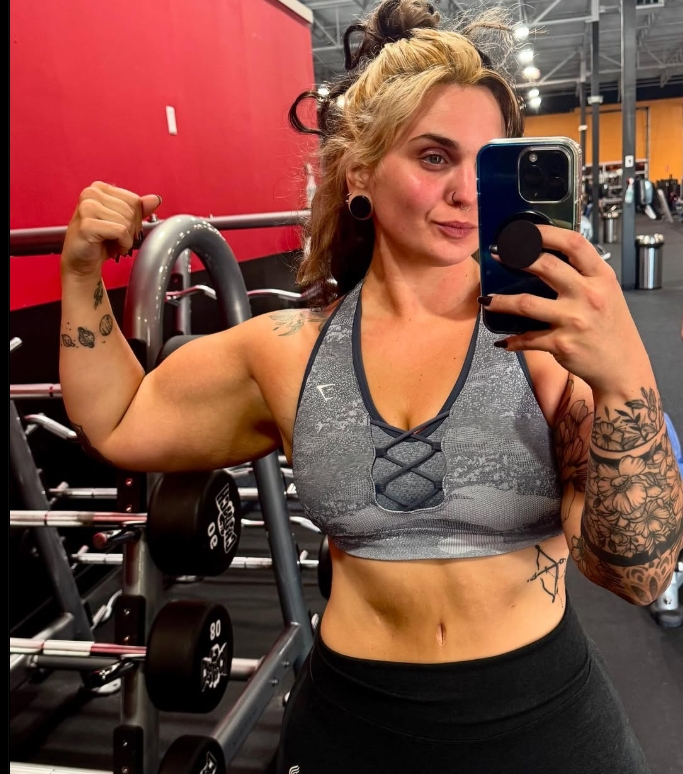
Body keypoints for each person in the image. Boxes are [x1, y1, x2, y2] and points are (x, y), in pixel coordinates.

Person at [58, 2, 681, 772]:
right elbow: (119, 420)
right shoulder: (288, 352)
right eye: (433, 157)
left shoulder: (550, 344)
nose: (466, 191)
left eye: (484, 163)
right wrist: (80, 273)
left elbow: (637, 572)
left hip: (540, 726)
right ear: (359, 172)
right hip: (353, 728)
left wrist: (623, 377)